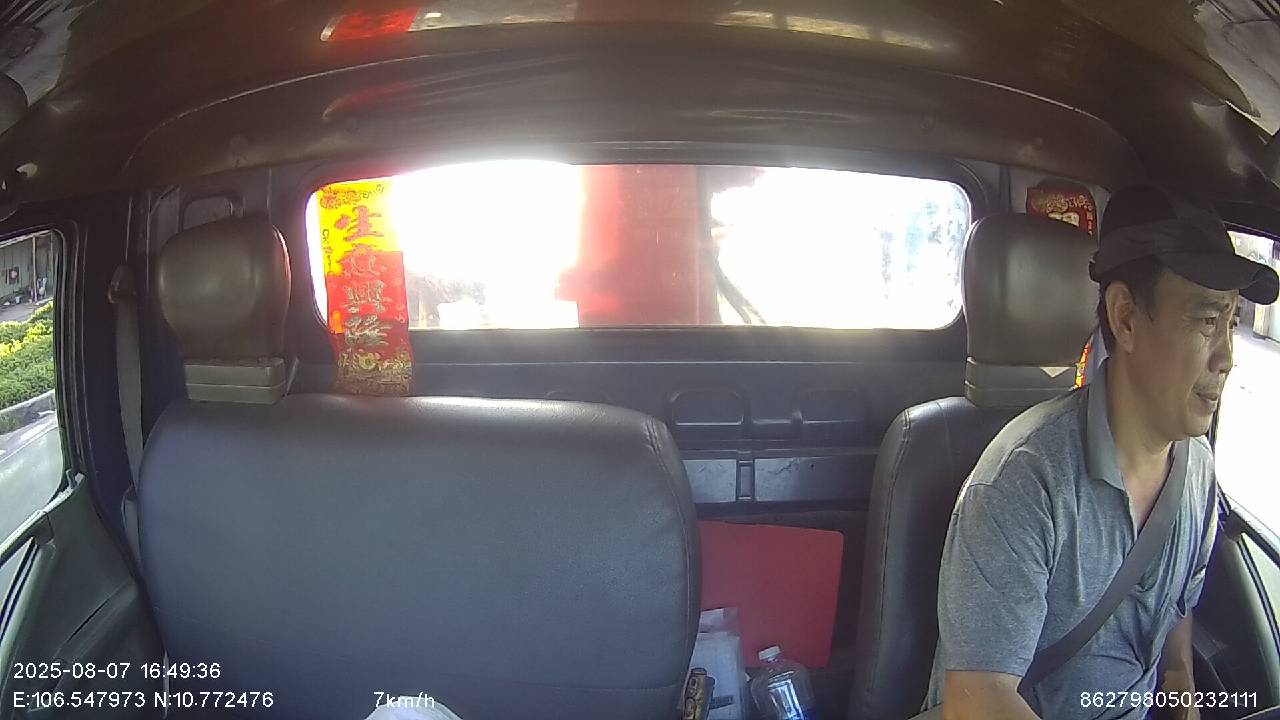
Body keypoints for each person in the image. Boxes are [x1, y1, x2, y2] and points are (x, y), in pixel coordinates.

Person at [924, 185, 1279, 720]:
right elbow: (978, 700)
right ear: (1126, 318)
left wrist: (1179, 681)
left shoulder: (1197, 471)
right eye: (1208, 321)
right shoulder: (1022, 484)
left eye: (1231, 323)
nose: (1227, 358)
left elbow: (1175, 606)